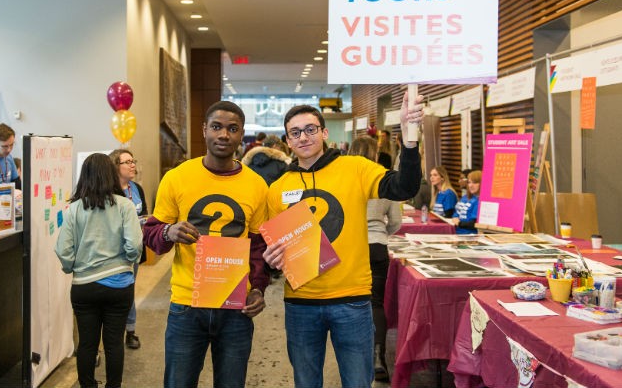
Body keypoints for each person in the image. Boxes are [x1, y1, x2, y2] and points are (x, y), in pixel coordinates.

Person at [263, 91, 423, 388]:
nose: (303, 137)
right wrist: (272, 263)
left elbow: (404, 186)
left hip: (351, 302)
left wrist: (409, 140)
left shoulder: (356, 169)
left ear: (324, 132)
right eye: (294, 133)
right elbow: (276, 250)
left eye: (310, 129)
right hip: (300, 303)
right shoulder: (277, 189)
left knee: (358, 383)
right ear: (287, 141)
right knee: (306, 382)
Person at [142, 101, 269, 388]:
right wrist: (168, 232)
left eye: (232, 129)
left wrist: (258, 288)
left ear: (241, 135)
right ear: (204, 130)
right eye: (217, 127)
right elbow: (151, 233)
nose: (224, 135)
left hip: (236, 307)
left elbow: (259, 247)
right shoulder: (177, 178)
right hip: (187, 305)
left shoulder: (256, 185)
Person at [55, 153, 143, 388]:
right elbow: (135, 245)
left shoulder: (74, 208)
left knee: (87, 344)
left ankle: (88, 385)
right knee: (114, 343)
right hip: (119, 286)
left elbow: (63, 249)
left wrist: (72, 267)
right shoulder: (124, 205)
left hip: (84, 287)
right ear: (111, 175)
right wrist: (128, 260)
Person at [347, 135, 402, 382]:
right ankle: (379, 358)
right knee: (376, 303)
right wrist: (380, 233)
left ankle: (353, 357)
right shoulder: (384, 177)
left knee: (348, 303)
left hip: (348, 247)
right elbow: (397, 221)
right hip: (377, 245)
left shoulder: (343, 178)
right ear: (376, 154)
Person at [108, 148, 149, 350]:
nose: (133, 165)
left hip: (134, 249)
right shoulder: (108, 190)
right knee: (115, 292)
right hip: (114, 251)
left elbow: (146, 215)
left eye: (133, 160)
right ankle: (111, 334)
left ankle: (130, 331)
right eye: (127, 162)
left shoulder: (137, 188)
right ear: (116, 166)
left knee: (129, 290)